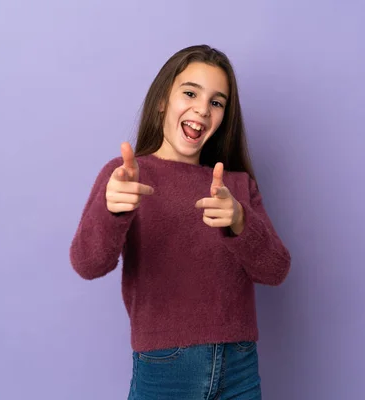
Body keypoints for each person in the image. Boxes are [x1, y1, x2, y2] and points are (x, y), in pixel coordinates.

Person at [69, 44, 291, 400]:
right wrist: (112, 213)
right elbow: (88, 263)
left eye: (217, 102)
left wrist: (240, 222)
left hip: (241, 367)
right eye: (190, 93)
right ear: (162, 101)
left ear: (223, 118)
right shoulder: (126, 176)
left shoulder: (236, 186)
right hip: (166, 369)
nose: (202, 109)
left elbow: (277, 270)